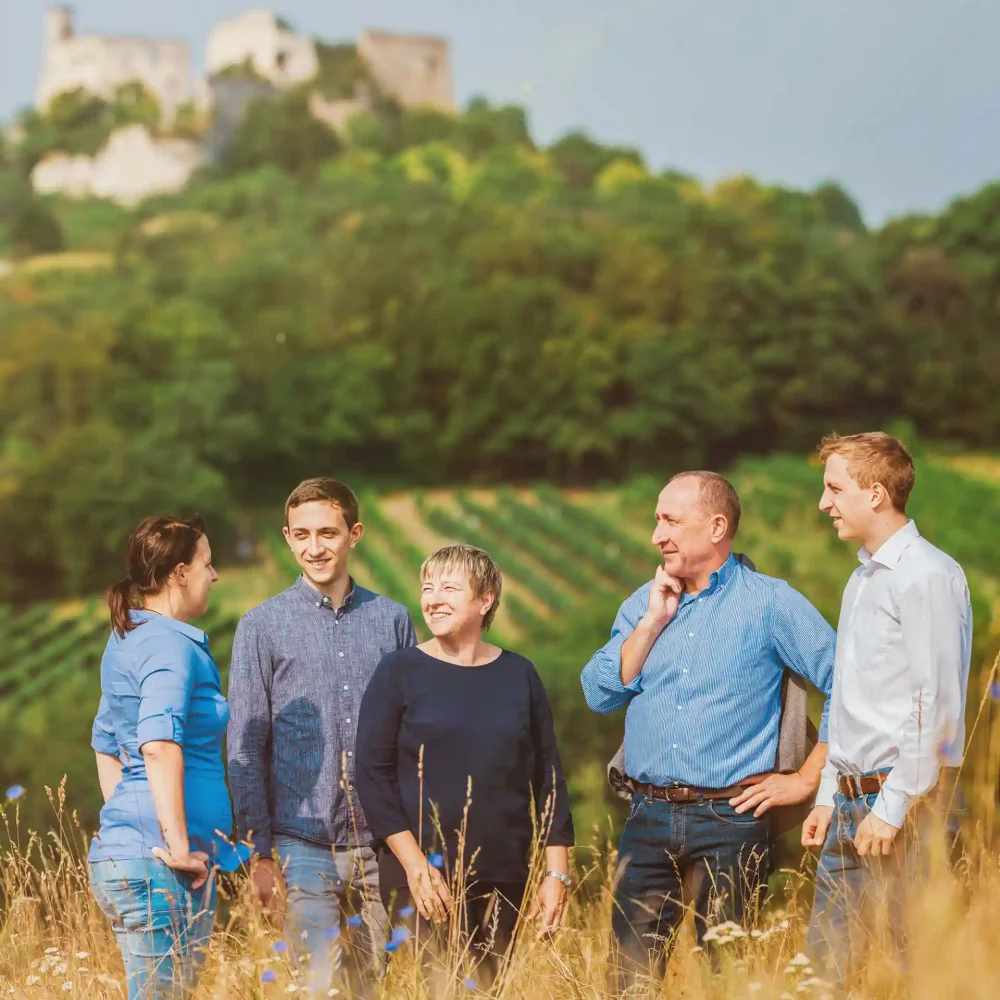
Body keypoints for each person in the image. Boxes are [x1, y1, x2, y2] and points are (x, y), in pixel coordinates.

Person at [580, 471, 836, 984]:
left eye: (671, 520)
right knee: (629, 980)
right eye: (657, 520)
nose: (657, 535)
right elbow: (598, 691)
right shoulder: (642, 603)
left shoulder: (770, 602)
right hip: (646, 815)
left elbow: (848, 679)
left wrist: (810, 776)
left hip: (732, 821)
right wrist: (653, 622)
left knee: (728, 978)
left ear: (717, 526)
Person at [227, 478, 417, 994]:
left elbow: (409, 738)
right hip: (300, 843)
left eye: (329, 533)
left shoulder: (393, 622)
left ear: (354, 534)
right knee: (316, 986)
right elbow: (245, 747)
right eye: (303, 534)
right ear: (287, 538)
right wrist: (259, 853)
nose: (316, 547)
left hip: (380, 843)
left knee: (370, 984)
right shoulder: (260, 627)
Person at [356, 544, 575, 986]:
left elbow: (548, 775)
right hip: (419, 874)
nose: (433, 598)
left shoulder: (520, 675)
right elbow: (371, 775)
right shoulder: (398, 671)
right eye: (427, 588)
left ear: (486, 598)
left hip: (504, 872)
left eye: (449, 588)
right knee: (440, 986)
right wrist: (415, 865)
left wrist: (557, 871)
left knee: (486, 990)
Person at [803, 432, 971, 986]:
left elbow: (939, 707)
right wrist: (830, 794)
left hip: (908, 805)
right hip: (852, 804)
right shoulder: (861, 579)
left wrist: (893, 805)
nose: (824, 503)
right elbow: (849, 699)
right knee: (821, 981)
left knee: (913, 976)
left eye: (834, 488)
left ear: (875, 493)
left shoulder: (927, 575)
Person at [89, 515, 230, 1000]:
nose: (215, 575)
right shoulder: (169, 644)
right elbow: (158, 742)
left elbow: (105, 743)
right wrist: (173, 844)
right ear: (179, 573)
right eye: (207, 564)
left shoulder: (129, 637)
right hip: (163, 866)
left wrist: (128, 819)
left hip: (134, 856)